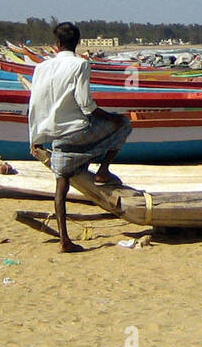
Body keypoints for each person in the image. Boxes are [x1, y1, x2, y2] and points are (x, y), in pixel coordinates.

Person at [28, 21, 133, 252]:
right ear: (77, 43)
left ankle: (64, 239)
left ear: (56, 44)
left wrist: (34, 139)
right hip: (78, 131)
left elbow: (35, 105)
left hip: (56, 138)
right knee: (125, 124)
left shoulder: (40, 68)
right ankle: (103, 171)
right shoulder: (81, 65)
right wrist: (113, 118)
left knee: (61, 186)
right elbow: (87, 105)